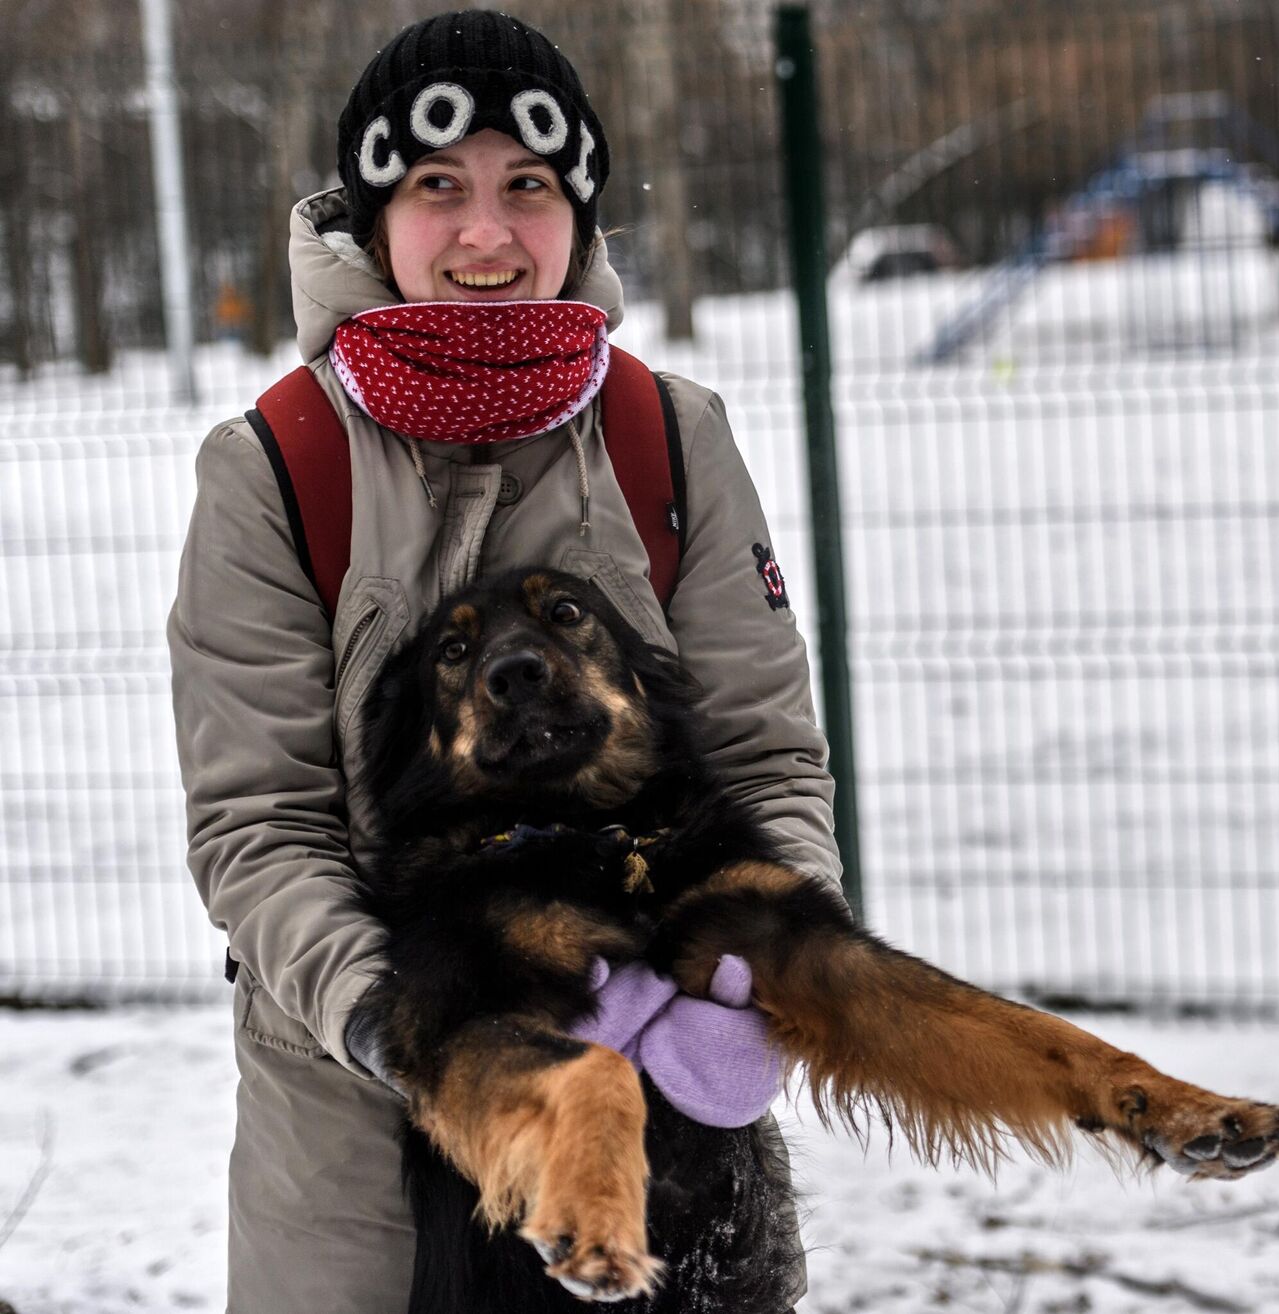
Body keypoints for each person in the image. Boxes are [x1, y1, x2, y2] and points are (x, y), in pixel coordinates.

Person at [167, 11, 838, 1311]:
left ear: (578, 213)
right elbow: (260, 828)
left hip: (662, 1122)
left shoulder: (669, 436)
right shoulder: (271, 468)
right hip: (352, 1115)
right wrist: (414, 1028)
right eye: (438, 189)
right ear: (375, 218)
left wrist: (761, 969)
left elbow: (767, 751)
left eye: (527, 186)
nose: (487, 235)